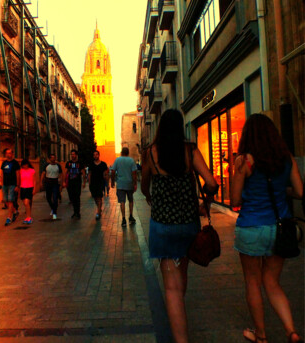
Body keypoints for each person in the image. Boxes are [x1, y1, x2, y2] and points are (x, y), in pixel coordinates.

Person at [141, 109, 218, 343]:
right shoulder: (190, 150)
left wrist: (150, 197)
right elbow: (212, 183)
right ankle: (179, 316)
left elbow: (145, 185)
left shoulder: (151, 153)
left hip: (163, 227)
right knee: (181, 276)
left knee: (172, 289)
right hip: (188, 226)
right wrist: (205, 203)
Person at [231, 114, 303, 343]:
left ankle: (261, 336)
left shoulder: (244, 161)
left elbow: (234, 200)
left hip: (251, 227)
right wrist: (282, 192)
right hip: (279, 228)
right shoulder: (286, 159)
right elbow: (300, 193)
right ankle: (291, 331)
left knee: (252, 282)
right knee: (272, 282)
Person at [111, 147, 137, 227]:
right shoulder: (131, 160)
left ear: (121, 152)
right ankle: (131, 216)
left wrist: (112, 181)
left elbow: (113, 171)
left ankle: (123, 219)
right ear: (128, 153)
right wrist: (135, 183)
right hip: (129, 184)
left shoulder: (117, 160)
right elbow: (134, 173)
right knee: (130, 200)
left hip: (120, 184)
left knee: (122, 201)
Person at [0, 148, 20, 226]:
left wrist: (17, 185)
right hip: (5, 184)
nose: (8, 154)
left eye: (10, 153)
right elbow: (2, 173)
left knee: (10, 200)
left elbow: (18, 174)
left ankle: (9, 217)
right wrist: (1, 183)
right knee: (5, 200)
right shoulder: (4, 163)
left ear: (12, 154)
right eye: (7, 153)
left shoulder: (15, 163)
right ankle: (15, 212)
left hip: (12, 184)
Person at [64, 149, 86, 219]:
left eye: (74, 154)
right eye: (72, 154)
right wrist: (64, 182)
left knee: (77, 197)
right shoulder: (68, 163)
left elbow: (83, 173)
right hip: (70, 183)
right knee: (72, 198)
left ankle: (78, 212)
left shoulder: (80, 163)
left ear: (76, 155)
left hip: (77, 183)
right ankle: (74, 212)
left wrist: (84, 182)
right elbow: (66, 172)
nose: (73, 155)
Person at [41, 154, 62, 220]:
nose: (53, 159)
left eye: (54, 158)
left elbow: (61, 174)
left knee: (55, 198)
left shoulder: (58, 166)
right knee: (48, 197)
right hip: (48, 182)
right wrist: (41, 182)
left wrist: (61, 183)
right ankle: (53, 208)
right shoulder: (46, 165)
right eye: (52, 158)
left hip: (55, 182)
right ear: (49, 159)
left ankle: (55, 213)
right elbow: (43, 173)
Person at [88, 150, 108, 220]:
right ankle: (99, 208)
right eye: (94, 155)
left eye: (96, 154)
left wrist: (107, 184)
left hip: (100, 183)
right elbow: (89, 174)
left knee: (99, 197)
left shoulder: (103, 164)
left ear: (99, 155)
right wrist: (89, 183)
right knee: (95, 198)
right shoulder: (91, 164)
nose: (95, 156)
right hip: (93, 183)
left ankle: (98, 212)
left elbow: (105, 174)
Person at [20, 159, 36, 224]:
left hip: (29, 187)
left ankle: (28, 217)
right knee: (25, 203)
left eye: (26, 164)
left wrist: (34, 189)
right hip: (22, 187)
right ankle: (27, 216)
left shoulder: (32, 171)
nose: (25, 166)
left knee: (27, 203)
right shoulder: (21, 171)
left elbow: (34, 180)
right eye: (24, 165)